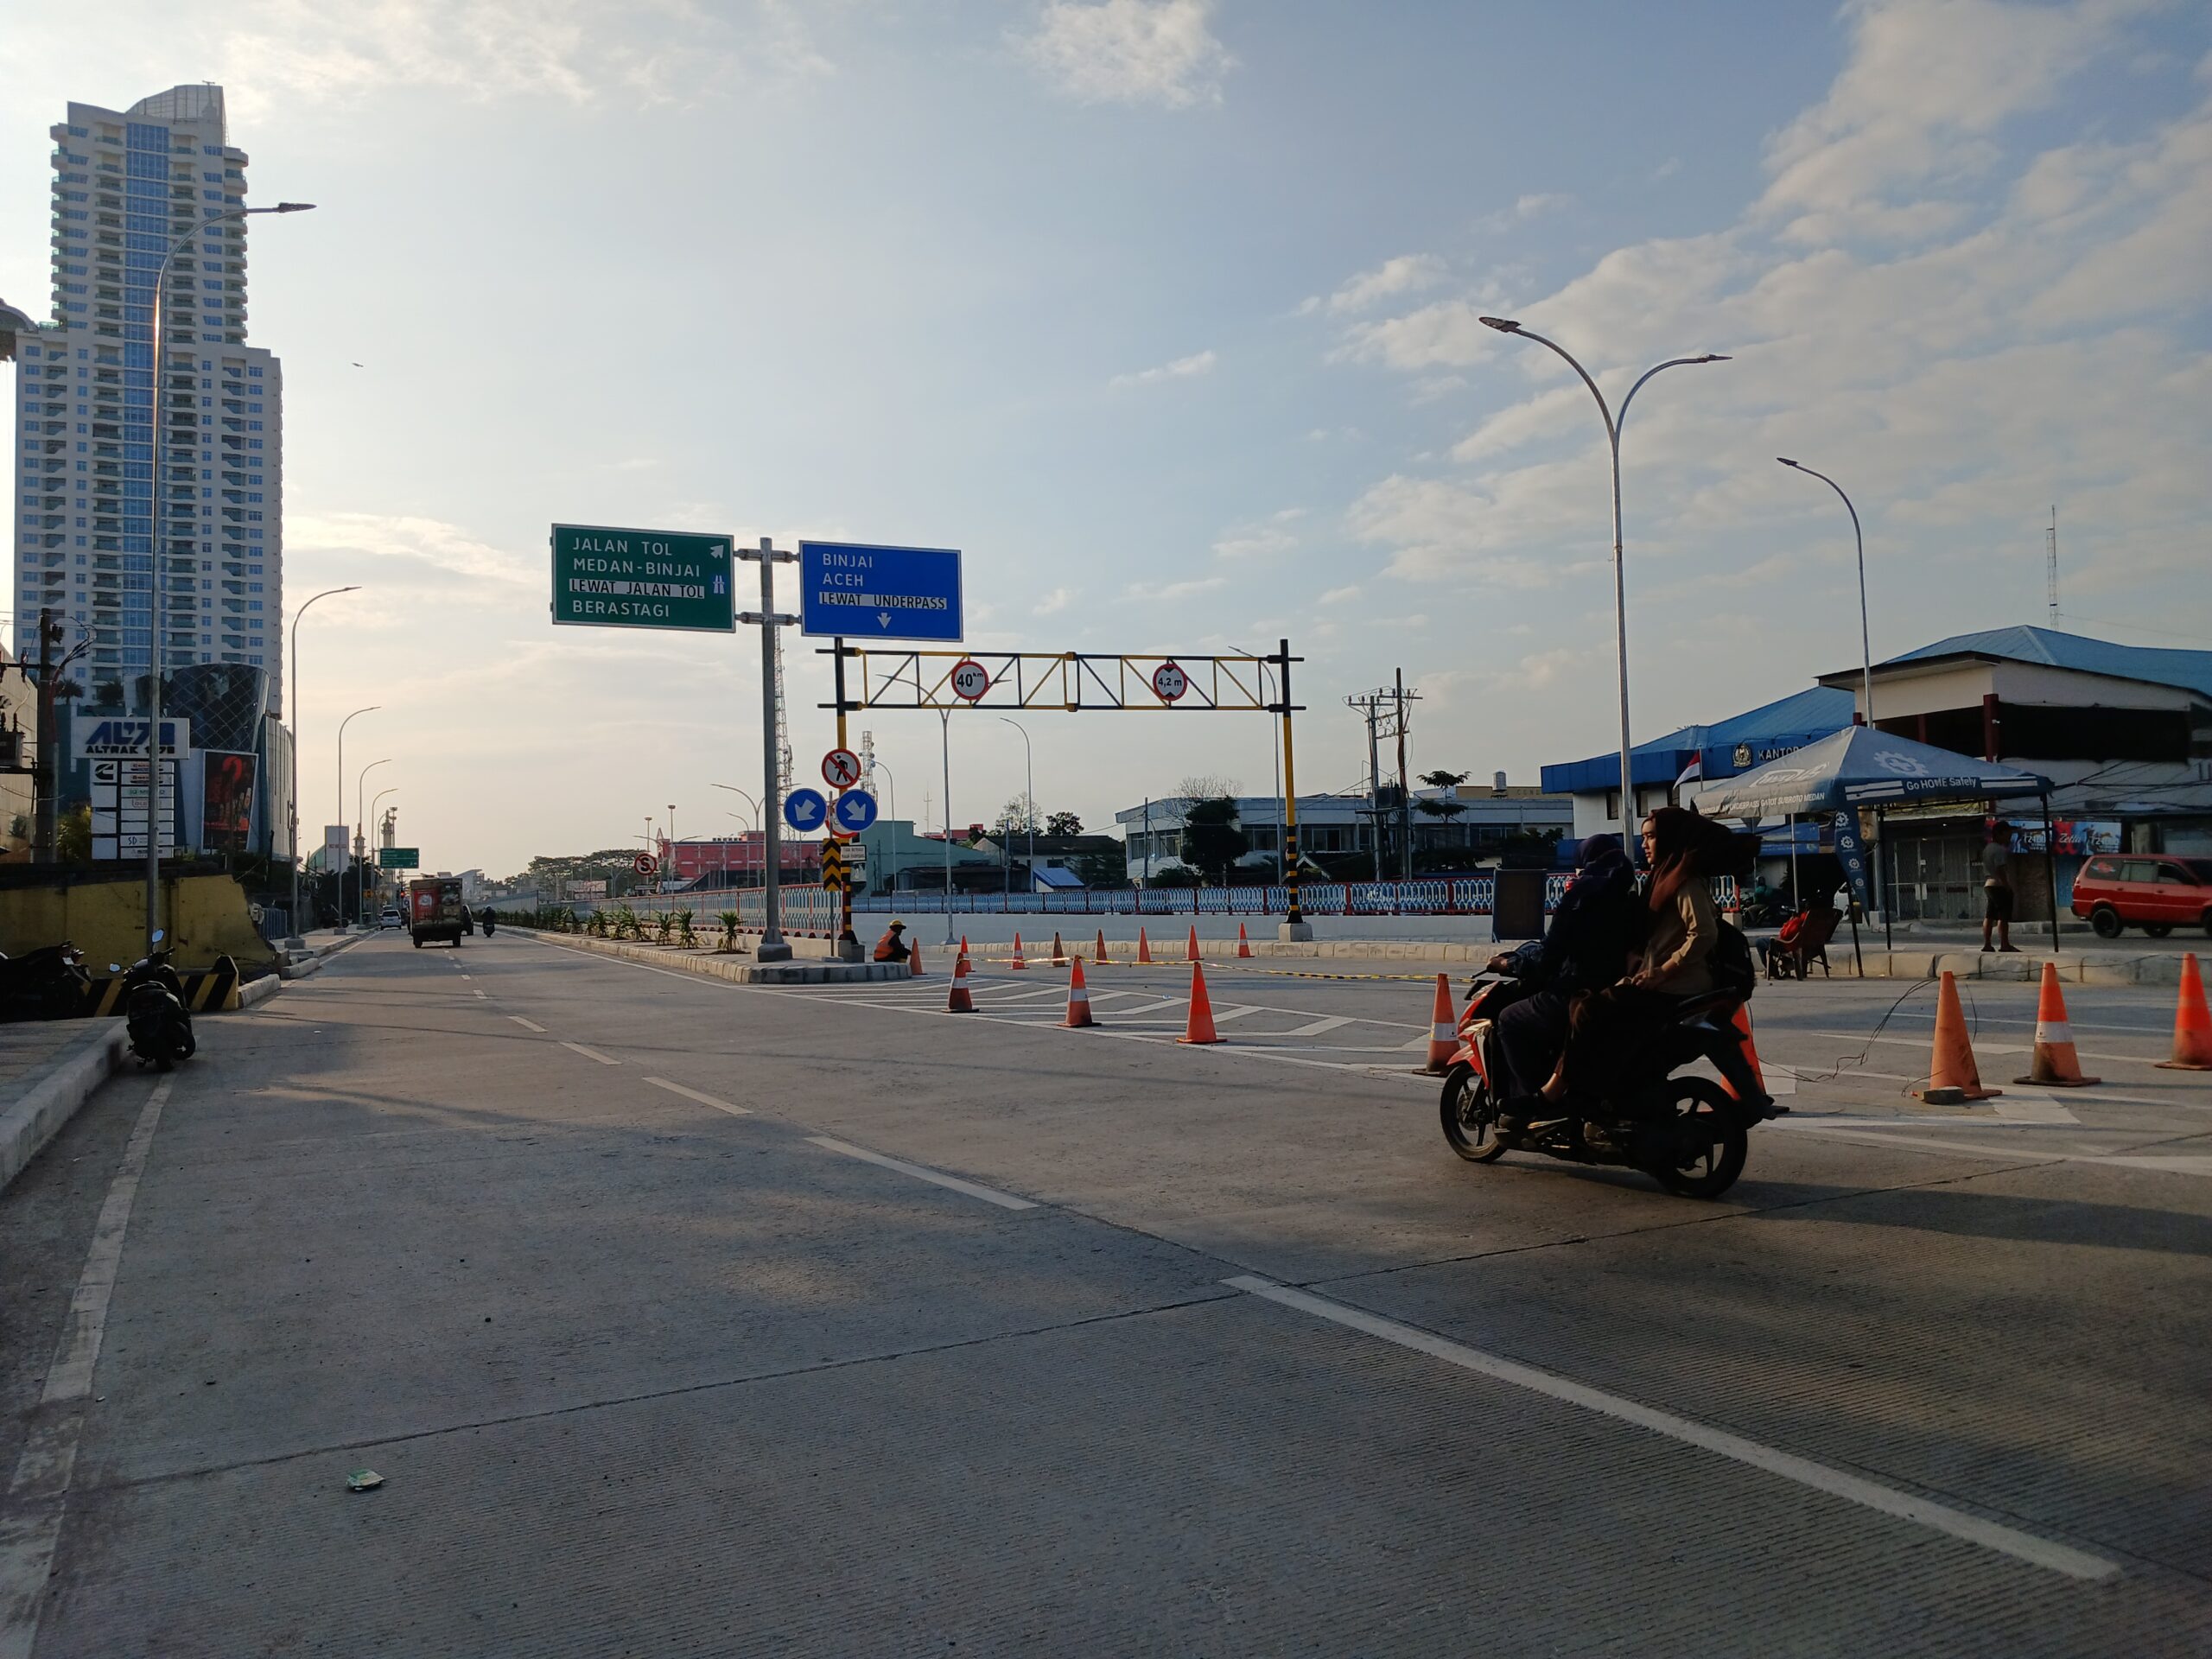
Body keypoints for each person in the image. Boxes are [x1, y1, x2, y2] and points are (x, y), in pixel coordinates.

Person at [1536, 807, 1732, 1110]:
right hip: (1659, 980)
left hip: (1677, 986)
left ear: (1669, 839)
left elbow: (1704, 934)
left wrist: (1664, 971)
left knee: (1588, 1009)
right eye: (1644, 837)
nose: (1645, 845)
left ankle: (1559, 1090)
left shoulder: (1684, 882)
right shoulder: (1661, 879)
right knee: (1585, 1005)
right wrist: (1637, 956)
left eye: (1651, 837)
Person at [1487, 835, 1637, 1120]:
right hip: (1615, 993)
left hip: (1575, 992)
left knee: (1509, 1020)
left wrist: (1509, 964)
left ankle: (1537, 1102)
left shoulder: (1580, 899)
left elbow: (1548, 958)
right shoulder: (1629, 900)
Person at [1981, 823, 2018, 953]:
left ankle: (1987, 944)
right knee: (2003, 917)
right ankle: (2004, 944)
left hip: (1988, 885)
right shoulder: (1999, 850)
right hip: (1998, 885)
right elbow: (2000, 869)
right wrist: (2007, 885)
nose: (2009, 837)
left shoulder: (1988, 848)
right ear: (2000, 833)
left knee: (1989, 915)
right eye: (2008, 834)